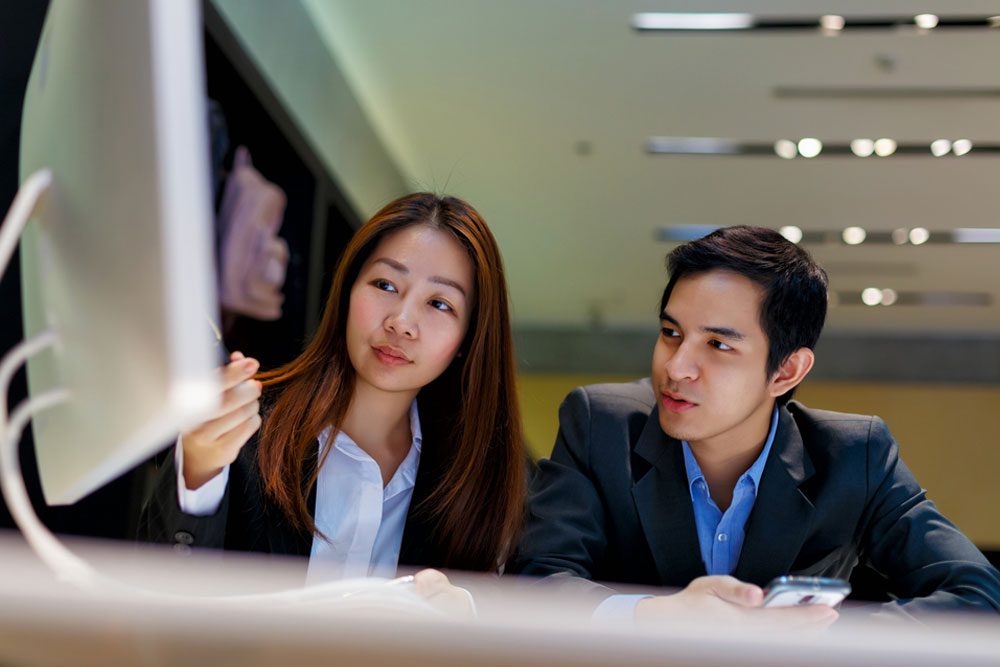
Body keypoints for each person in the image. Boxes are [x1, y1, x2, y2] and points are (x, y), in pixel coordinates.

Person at [509, 225, 1000, 624]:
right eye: (670, 333)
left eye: (718, 345)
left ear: (786, 371)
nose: (677, 367)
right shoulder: (600, 424)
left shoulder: (855, 455)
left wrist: (819, 634)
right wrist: (654, 614)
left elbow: (978, 594)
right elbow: (538, 581)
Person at [140, 193, 525, 601]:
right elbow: (158, 596)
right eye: (385, 284)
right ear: (347, 290)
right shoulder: (244, 431)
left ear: (469, 338)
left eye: (439, 304)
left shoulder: (477, 486)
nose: (401, 322)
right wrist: (201, 465)